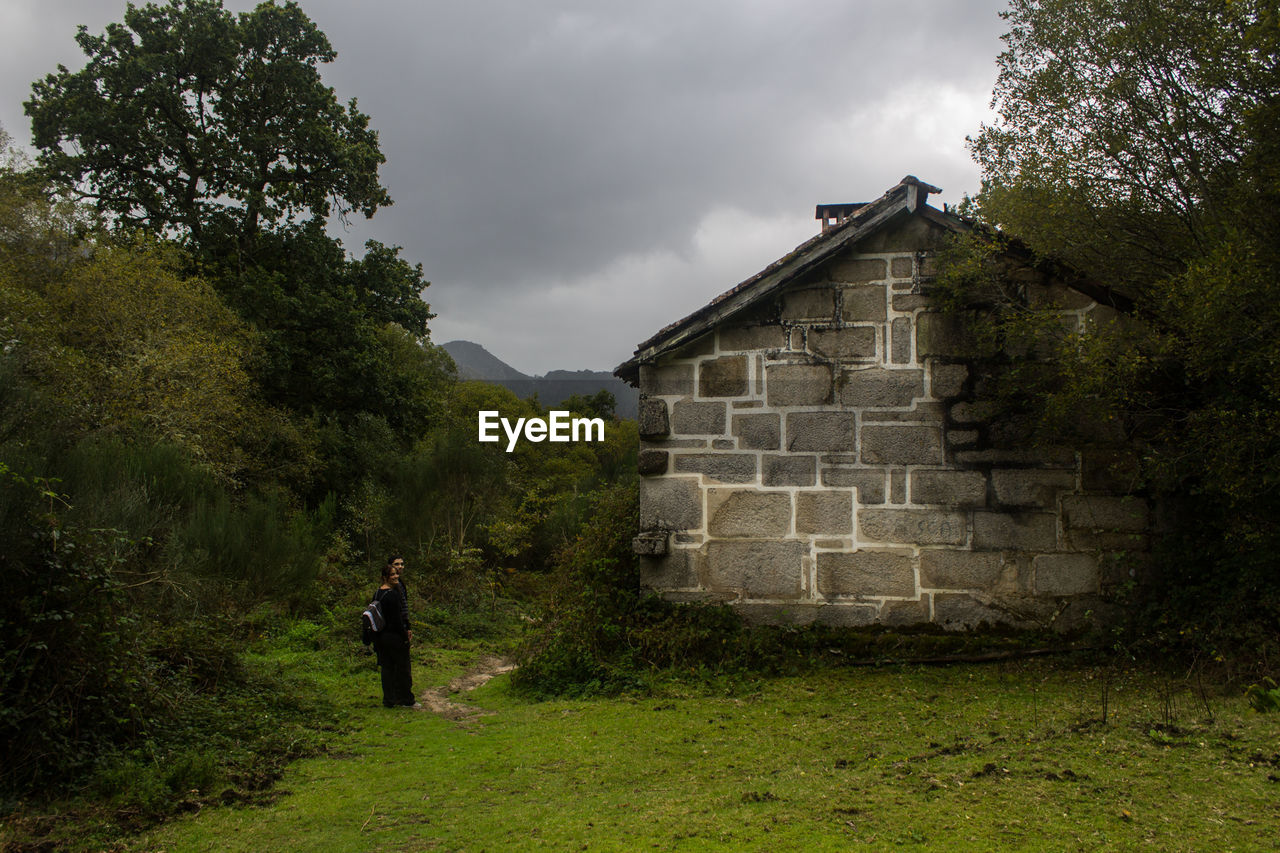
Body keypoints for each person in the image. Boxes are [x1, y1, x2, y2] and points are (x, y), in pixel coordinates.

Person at [373, 555, 418, 708]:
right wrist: (405, 634)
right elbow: (397, 617)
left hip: (381, 635)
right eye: (393, 572)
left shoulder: (378, 592)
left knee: (387, 668)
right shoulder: (392, 594)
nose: (397, 573)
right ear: (385, 576)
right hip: (393, 635)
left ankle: (389, 700)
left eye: (401, 566)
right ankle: (406, 699)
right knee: (402, 668)